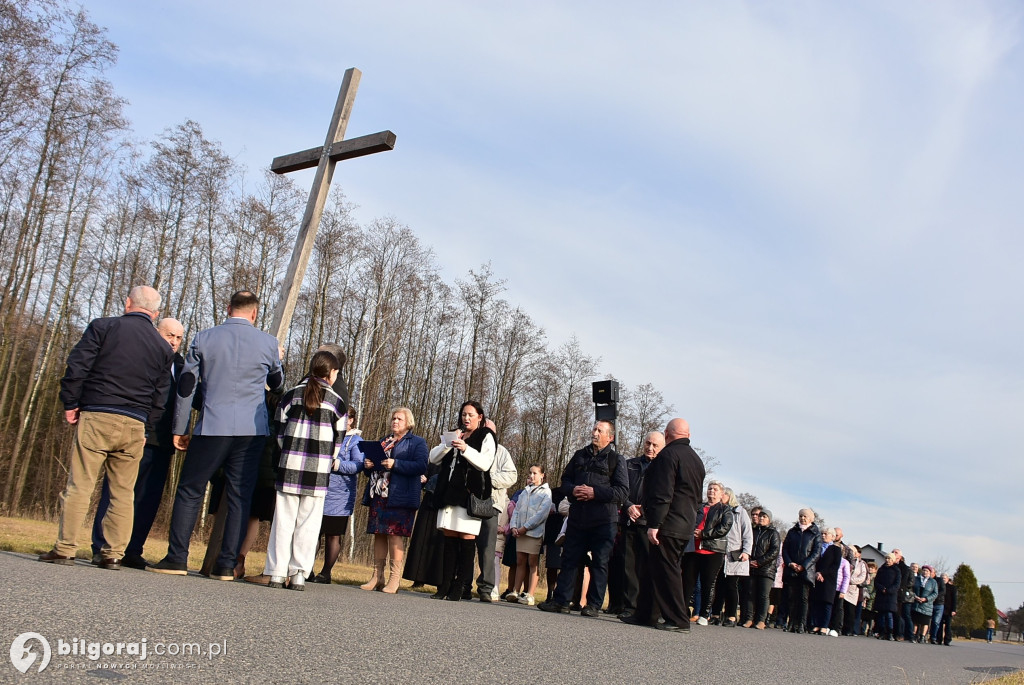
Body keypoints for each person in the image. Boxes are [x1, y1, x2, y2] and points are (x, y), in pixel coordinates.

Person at [149, 290, 284, 580]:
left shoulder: (204, 338)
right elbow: (277, 380)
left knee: (190, 490)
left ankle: (177, 558)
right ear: (254, 314)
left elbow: (186, 385)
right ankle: (225, 565)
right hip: (251, 432)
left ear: (228, 308)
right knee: (239, 495)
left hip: (212, 425)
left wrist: (180, 427)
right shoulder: (268, 343)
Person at [39, 286, 173, 569]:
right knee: (123, 492)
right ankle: (113, 554)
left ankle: (65, 548)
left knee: (80, 485)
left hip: (98, 413)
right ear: (156, 313)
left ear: (127, 303)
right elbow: (161, 395)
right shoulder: (162, 347)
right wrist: (147, 425)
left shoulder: (103, 327)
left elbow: (77, 366)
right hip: (135, 422)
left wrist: (70, 402)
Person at [89, 317, 184, 569]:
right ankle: (102, 546)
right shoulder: (145, 355)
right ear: (156, 333)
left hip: (163, 441)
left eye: (178, 338)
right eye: (169, 335)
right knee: (118, 492)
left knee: (148, 498)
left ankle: (132, 549)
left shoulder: (183, 366)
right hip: (135, 434)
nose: (174, 342)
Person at [247, 350, 346, 590]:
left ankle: (277, 572)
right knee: (309, 525)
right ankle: (299, 573)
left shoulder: (291, 395)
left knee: (283, 521)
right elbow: (338, 443)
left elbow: (279, 433)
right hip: (318, 472)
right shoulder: (337, 402)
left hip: (290, 466)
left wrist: (290, 452)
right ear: (332, 373)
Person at [621, 418, 705, 633]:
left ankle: (678, 619)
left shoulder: (668, 455)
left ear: (667, 434)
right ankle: (645, 614)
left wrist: (655, 523)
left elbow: (663, 493)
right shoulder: (696, 460)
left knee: (668, 571)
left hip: (668, 522)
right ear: (688, 435)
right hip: (685, 523)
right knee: (653, 569)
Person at [537, 421, 628, 617]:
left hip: (604, 520)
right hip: (578, 517)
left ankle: (593, 605)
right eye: (594, 429)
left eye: (599, 431)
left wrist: (595, 493)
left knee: (600, 562)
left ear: (610, 437)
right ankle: (561, 601)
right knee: (569, 559)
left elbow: (621, 492)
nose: (594, 433)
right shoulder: (580, 455)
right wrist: (572, 490)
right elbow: (565, 481)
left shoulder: (616, 460)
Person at [428, 401, 496, 600]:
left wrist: (465, 448)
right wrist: (448, 445)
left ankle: (460, 587)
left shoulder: (486, 436)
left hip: (469, 496)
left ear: (480, 417)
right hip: (448, 494)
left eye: (471, 415)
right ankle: (444, 586)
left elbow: (485, 463)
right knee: (449, 542)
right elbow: (433, 458)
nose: (466, 418)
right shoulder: (454, 433)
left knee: (466, 542)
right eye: (463, 414)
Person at [359, 406, 429, 593]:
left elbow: (421, 466)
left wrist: (396, 464)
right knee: (379, 533)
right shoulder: (384, 441)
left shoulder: (417, 442)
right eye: (393, 418)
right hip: (379, 495)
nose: (395, 421)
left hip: (401, 496)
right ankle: (377, 576)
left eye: (399, 419)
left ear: (408, 423)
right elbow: (371, 468)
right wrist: (368, 465)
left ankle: (394, 579)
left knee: (394, 534)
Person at [309, 408, 363, 583]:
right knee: (313, 532)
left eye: (347, 417)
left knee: (333, 534)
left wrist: (337, 464)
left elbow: (358, 465)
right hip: (319, 489)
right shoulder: (328, 434)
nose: (343, 420)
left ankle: (326, 573)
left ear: (352, 421)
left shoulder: (356, 441)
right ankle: (306, 568)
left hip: (340, 495)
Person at [617, 431, 664, 619]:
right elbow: (620, 489)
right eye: (648, 443)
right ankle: (630, 606)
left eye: (655, 445)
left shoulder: (664, 467)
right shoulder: (630, 465)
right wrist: (628, 506)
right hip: (629, 522)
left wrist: (646, 509)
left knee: (648, 566)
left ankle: (648, 607)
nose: (650, 448)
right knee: (628, 566)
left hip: (650, 524)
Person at [470, 418, 517, 602]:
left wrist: (489, 481)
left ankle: (486, 588)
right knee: (465, 545)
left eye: (491, 430)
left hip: (491, 503)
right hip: (469, 502)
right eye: (484, 429)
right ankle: (464, 584)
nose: (487, 433)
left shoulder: (502, 451)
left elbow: (512, 475)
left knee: (487, 547)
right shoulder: (470, 447)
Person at [681, 481, 733, 626]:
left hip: (713, 551)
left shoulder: (725, 510)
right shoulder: (699, 507)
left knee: (707, 583)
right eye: (710, 488)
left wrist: (704, 534)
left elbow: (724, 528)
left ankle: (704, 614)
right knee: (687, 581)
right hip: (693, 549)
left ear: (722, 494)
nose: (712, 491)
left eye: (715, 489)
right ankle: (682, 611)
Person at [506, 465, 551, 606]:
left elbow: (541, 514)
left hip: (534, 533)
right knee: (520, 562)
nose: (531, 476)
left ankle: (530, 594)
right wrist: (514, 526)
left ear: (542, 475)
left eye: (535, 473)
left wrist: (526, 527)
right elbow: (517, 510)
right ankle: (515, 591)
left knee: (532, 563)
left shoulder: (546, 493)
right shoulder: (524, 492)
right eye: (530, 473)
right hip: (520, 532)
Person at [712, 487, 752, 626]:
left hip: (735, 553)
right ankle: (715, 614)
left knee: (731, 585)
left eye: (723, 494)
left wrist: (746, 551)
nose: (720, 496)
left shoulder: (740, 512)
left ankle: (731, 616)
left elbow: (747, 533)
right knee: (719, 585)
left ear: (729, 496)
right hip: (720, 551)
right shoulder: (718, 510)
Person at [781, 508, 821, 633]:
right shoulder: (792, 531)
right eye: (801, 516)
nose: (802, 518)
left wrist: (803, 566)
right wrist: (790, 563)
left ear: (810, 518)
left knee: (803, 598)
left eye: (805, 516)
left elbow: (816, 553)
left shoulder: (815, 533)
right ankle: (791, 623)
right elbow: (785, 549)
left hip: (806, 571)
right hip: (792, 569)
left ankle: (801, 624)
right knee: (791, 598)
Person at [744, 508, 780, 629]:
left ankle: (761, 620)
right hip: (751, 566)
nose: (761, 518)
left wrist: (759, 562)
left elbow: (774, 551)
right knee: (749, 593)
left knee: (763, 595)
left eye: (764, 517)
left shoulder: (773, 533)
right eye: (760, 516)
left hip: (766, 569)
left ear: (769, 519)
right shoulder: (752, 531)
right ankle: (749, 618)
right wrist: (750, 560)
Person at [810, 528, 843, 635]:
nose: (823, 536)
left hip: (828, 579)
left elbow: (835, 566)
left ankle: (824, 626)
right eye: (822, 533)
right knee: (817, 602)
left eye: (826, 534)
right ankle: (816, 624)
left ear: (832, 537)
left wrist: (822, 573)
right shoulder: (818, 547)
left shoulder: (836, 549)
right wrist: (817, 573)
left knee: (826, 603)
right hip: (817, 577)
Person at [874, 553, 902, 640]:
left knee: (889, 615)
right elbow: (876, 581)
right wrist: (881, 588)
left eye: (889, 559)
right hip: (881, 595)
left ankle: (890, 633)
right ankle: (881, 632)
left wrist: (889, 590)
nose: (887, 560)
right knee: (881, 615)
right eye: (886, 558)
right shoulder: (881, 569)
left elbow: (897, 584)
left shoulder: (896, 570)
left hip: (891, 596)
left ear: (893, 560)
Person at [841, 545, 868, 636]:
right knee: (840, 608)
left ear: (856, 553)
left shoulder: (861, 564)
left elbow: (863, 577)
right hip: (841, 587)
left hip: (853, 589)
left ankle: (849, 629)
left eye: (852, 551)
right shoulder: (843, 561)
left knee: (850, 610)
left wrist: (849, 580)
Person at [912, 565, 939, 643]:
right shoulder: (916, 579)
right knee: (915, 621)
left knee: (925, 622)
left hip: (927, 605)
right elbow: (911, 589)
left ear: (930, 573)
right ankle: (914, 635)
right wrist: (915, 597)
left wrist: (926, 599)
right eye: (924, 570)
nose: (925, 572)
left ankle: (922, 636)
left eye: (927, 571)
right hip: (916, 602)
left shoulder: (933, 582)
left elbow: (935, 593)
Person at [936, 574, 957, 646]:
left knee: (948, 625)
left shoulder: (952, 588)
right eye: (942, 578)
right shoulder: (938, 586)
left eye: (944, 578)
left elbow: (954, 600)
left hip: (949, 609)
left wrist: (953, 610)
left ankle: (947, 640)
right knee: (939, 624)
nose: (943, 579)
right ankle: (938, 639)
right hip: (940, 607)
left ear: (948, 579)